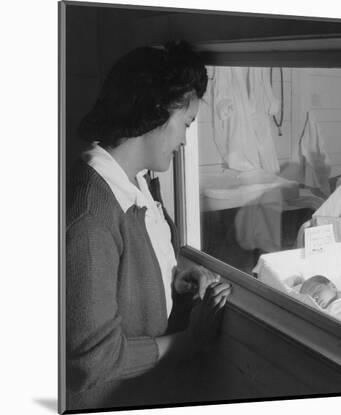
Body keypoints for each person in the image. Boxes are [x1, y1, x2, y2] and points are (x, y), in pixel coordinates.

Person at [66, 42, 232, 410]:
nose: (185, 139)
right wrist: (190, 341)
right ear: (158, 112)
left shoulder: (136, 182)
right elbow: (90, 362)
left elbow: (125, 273)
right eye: (186, 124)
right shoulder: (90, 215)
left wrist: (174, 276)